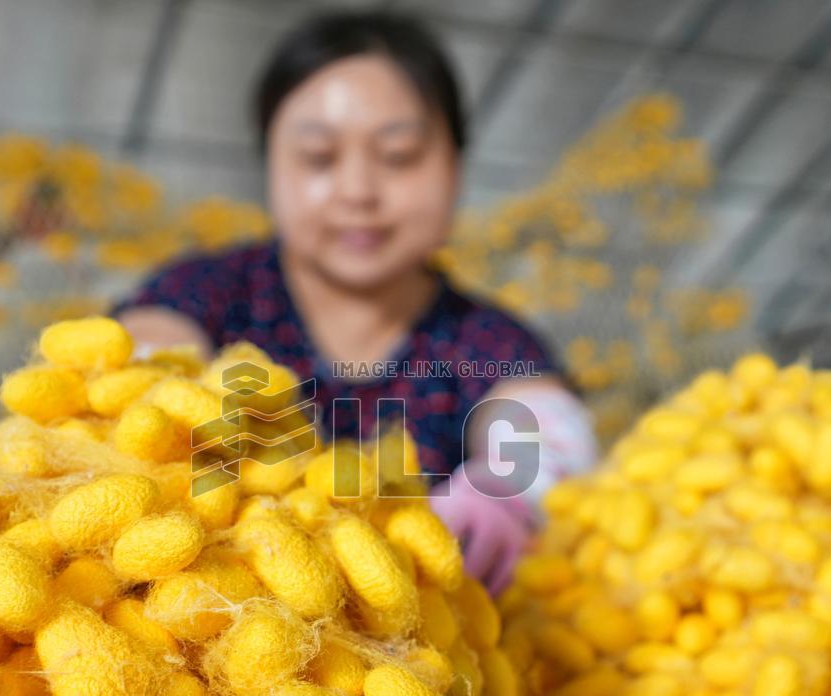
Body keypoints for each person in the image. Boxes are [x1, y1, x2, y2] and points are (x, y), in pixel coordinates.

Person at [114, 11, 597, 595]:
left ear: (456, 168)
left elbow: (537, 421)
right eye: (319, 158)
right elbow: (142, 345)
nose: (359, 191)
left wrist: (508, 489)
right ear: (270, 166)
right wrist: (154, 383)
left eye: (399, 157)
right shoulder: (213, 291)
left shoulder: (480, 340)